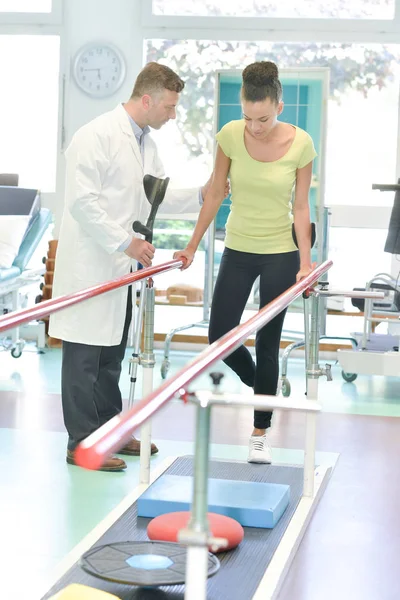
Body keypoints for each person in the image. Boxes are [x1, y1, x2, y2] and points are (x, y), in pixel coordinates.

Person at [50, 62, 218, 472]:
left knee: (110, 357)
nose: (174, 115)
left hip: (120, 271)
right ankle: (82, 443)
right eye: (170, 107)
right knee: (84, 359)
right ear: (148, 99)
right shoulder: (96, 136)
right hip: (92, 265)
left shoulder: (146, 144)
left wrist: (202, 194)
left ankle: (110, 430)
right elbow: (81, 202)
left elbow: (155, 196)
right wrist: (127, 242)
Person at [174, 61, 317, 464]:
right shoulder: (230, 136)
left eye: (264, 118)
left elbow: (301, 206)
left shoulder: (302, 144)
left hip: (280, 253)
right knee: (219, 334)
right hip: (238, 247)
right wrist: (190, 245)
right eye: (247, 117)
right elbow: (216, 193)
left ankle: (260, 431)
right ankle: (263, 387)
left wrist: (305, 263)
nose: (255, 126)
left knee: (268, 341)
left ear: (279, 106)